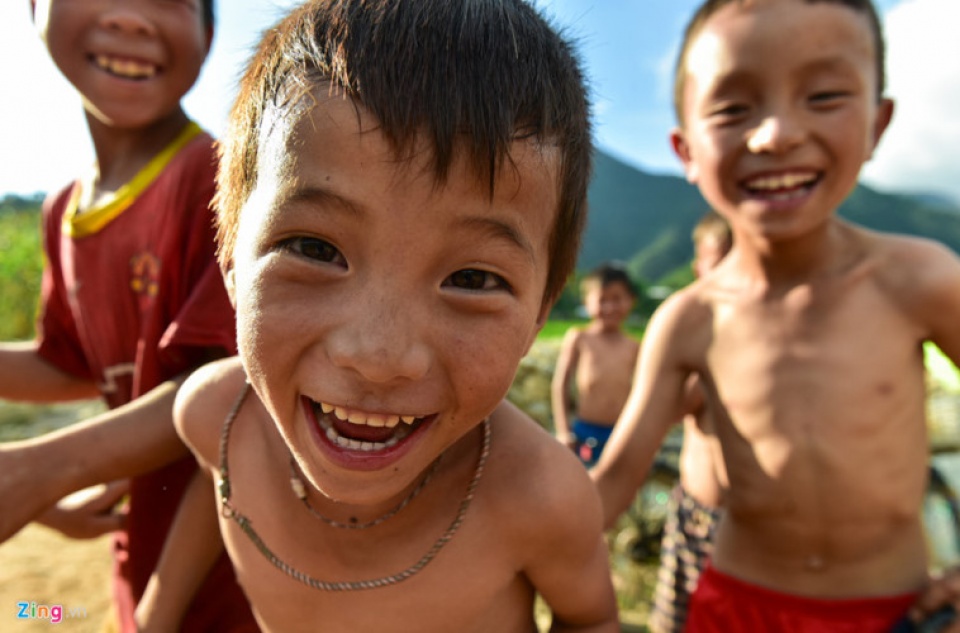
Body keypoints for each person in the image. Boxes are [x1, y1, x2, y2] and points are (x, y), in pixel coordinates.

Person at [136, 0, 620, 631]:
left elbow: (592, 619)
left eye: (473, 279)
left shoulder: (538, 495)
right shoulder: (215, 419)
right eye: (314, 248)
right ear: (231, 264)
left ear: (536, 319)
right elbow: (220, 487)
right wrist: (154, 614)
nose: (377, 355)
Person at [590, 0, 960, 630]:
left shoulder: (920, 279)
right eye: (733, 108)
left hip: (896, 610)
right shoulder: (688, 318)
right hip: (733, 607)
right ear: (685, 149)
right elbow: (616, 479)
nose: (776, 135)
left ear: (877, 122)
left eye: (823, 96)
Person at [0, 1, 255, 631]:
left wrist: (38, 470)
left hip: (235, 561)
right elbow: (76, 365)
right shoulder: (64, 208)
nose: (133, 20)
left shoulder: (221, 180)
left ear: (209, 31)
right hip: (138, 547)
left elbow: (231, 391)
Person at [648, 210, 731, 633]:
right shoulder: (688, 332)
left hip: (750, 532)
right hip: (696, 515)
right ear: (700, 266)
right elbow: (660, 414)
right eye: (720, 261)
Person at [551, 263, 639, 467]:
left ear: (631, 301)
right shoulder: (579, 338)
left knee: (615, 491)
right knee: (579, 491)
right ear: (586, 302)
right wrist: (563, 431)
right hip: (583, 433)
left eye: (617, 299)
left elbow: (642, 392)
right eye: (601, 300)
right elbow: (560, 384)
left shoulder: (635, 347)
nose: (609, 307)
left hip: (620, 433)